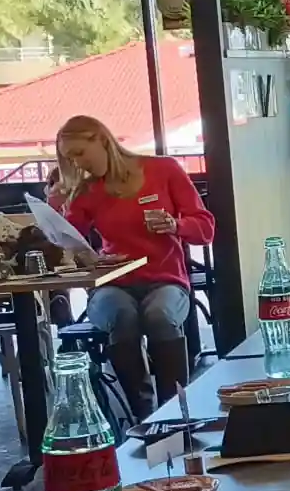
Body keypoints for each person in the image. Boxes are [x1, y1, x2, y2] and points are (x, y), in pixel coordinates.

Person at [55, 115, 214, 417]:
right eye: (69, 158)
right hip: (113, 280)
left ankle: (174, 411)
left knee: (159, 315)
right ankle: (142, 412)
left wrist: (174, 225)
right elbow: (64, 239)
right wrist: (60, 208)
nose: (77, 163)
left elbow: (205, 229)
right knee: (121, 315)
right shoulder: (87, 190)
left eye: (79, 153)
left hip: (166, 278)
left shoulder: (163, 170)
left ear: (101, 139)